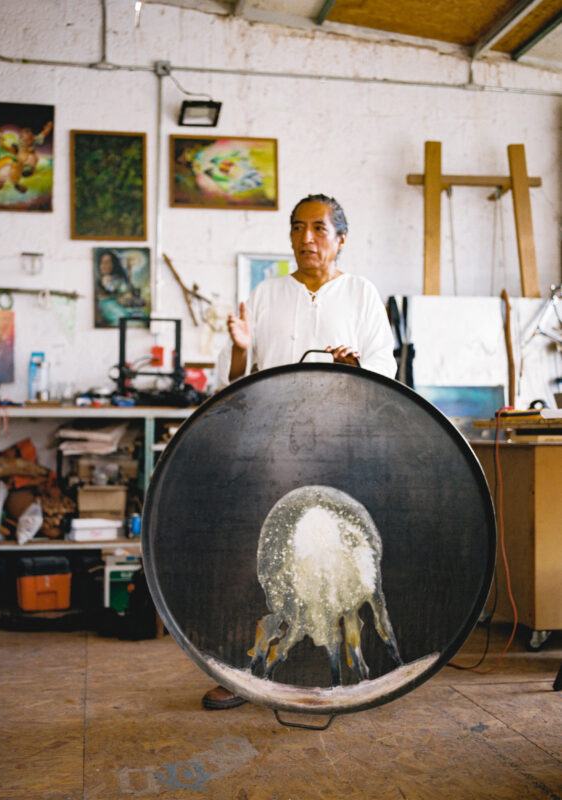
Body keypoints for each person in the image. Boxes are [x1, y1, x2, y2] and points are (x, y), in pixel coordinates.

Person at [202, 193, 397, 710]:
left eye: (318, 228)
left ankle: (346, 671)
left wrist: (358, 367)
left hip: (342, 447)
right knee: (257, 556)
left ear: (341, 239)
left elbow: (386, 368)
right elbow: (232, 380)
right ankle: (245, 672)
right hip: (273, 448)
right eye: (296, 227)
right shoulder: (267, 294)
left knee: (338, 558)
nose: (305, 238)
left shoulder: (360, 294)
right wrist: (240, 346)